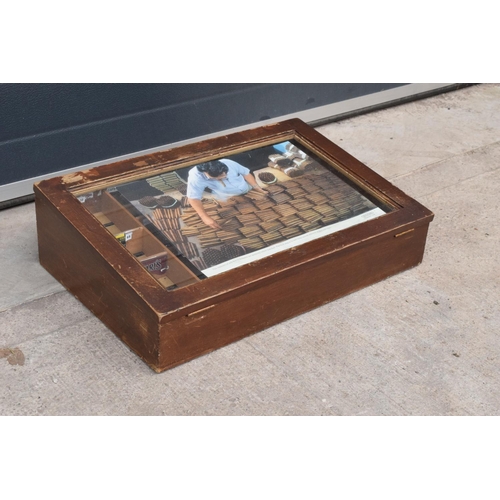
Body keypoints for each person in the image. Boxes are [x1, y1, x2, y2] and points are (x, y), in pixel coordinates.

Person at [186, 159, 267, 229]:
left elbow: (246, 173)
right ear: (205, 173)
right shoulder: (195, 177)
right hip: (227, 197)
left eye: (225, 175)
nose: (223, 178)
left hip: (246, 188)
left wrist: (256, 187)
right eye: (218, 178)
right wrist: (204, 217)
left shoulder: (228, 162)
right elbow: (193, 197)